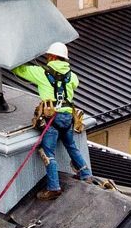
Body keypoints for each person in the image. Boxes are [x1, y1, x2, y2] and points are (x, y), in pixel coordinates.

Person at [13, 41, 92, 201]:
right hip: (68, 117)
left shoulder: (41, 72)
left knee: (48, 153)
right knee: (71, 146)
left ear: (53, 56)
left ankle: (54, 188)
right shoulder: (72, 76)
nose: (47, 58)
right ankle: (86, 174)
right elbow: (75, 85)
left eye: (49, 55)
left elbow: (19, 70)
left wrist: (16, 57)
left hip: (52, 118)